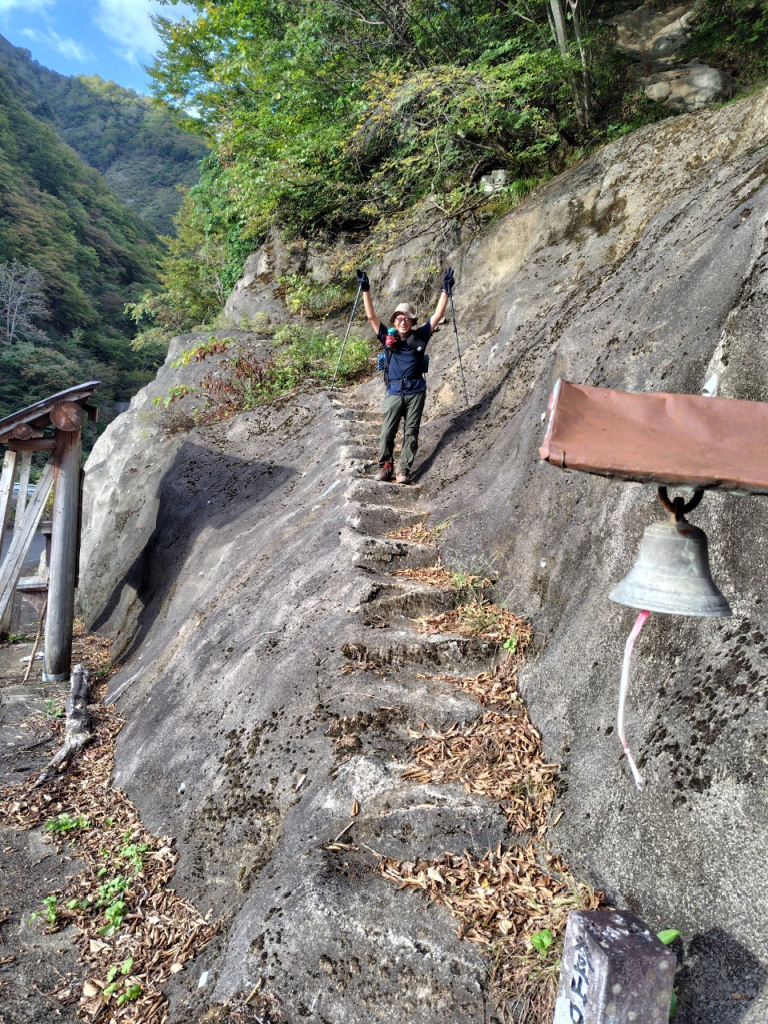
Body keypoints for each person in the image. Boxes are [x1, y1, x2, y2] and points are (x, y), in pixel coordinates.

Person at [357, 267, 455, 483]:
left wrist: (444, 290)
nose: (403, 321)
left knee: (411, 433)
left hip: (415, 391)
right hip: (393, 392)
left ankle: (403, 470)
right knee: (386, 433)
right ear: (394, 321)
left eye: (407, 318)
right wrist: (365, 289)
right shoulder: (386, 337)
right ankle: (385, 466)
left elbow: (437, 315)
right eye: (399, 318)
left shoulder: (420, 336)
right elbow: (371, 316)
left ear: (412, 321)